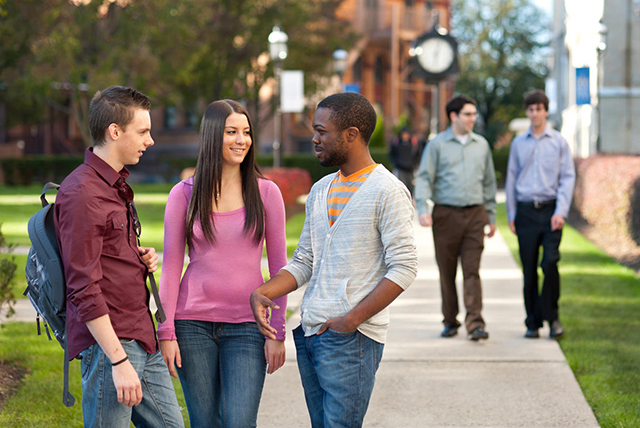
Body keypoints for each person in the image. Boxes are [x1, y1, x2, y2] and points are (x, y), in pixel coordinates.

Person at [250, 92, 418, 428]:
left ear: (351, 134)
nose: (314, 138)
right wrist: (264, 291)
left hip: (351, 337)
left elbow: (405, 266)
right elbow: (305, 260)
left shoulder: (387, 190)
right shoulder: (321, 189)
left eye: (321, 131)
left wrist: (351, 320)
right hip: (313, 333)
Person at [54, 86, 184, 428]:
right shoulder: (82, 192)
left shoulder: (112, 185)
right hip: (111, 344)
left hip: (141, 331)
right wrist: (118, 361)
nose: (150, 140)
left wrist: (137, 259)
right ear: (115, 132)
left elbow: (105, 256)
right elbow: (81, 286)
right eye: (143, 131)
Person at [158, 100, 287, 428]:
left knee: (240, 422)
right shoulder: (183, 194)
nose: (241, 140)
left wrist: (277, 332)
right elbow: (171, 266)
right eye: (232, 132)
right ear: (213, 136)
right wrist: (166, 330)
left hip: (248, 326)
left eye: (246, 132)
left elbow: (280, 268)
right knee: (205, 422)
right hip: (192, 325)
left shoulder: (266, 193)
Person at [414, 95, 497, 341]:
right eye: (468, 114)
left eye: (474, 114)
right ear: (454, 116)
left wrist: (491, 215)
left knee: (472, 270)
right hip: (445, 215)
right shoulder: (437, 145)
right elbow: (425, 177)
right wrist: (423, 208)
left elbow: (489, 182)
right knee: (447, 270)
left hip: (475, 214)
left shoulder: (481, 145)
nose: (473, 118)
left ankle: (475, 323)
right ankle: (450, 320)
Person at [505, 89, 575, 339]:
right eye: (531, 109)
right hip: (525, 212)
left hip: (551, 212)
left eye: (539, 109)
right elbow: (512, 178)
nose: (535, 114)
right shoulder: (518, 143)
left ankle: (553, 317)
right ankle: (532, 322)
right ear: (527, 112)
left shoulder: (558, 142)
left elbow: (568, 177)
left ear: (546, 111)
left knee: (551, 263)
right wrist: (511, 213)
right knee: (529, 269)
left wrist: (561, 211)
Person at [389, 127, 419, 196]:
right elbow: (392, 155)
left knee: (411, 187)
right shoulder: (397, 144)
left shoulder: (413, 144)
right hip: (401, 169)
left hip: (410, 170)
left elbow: (417, 155)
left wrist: (414, 164)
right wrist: (397, 163)